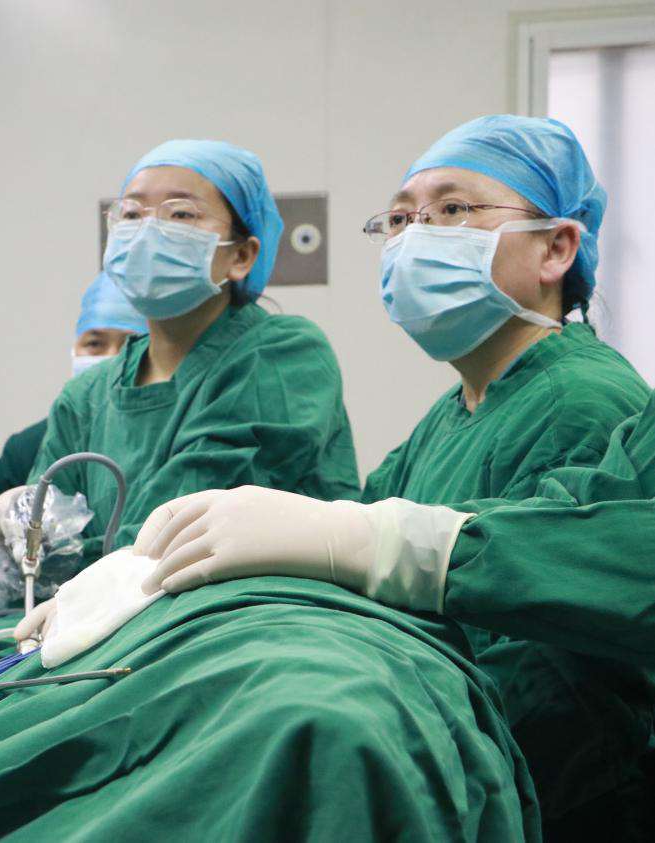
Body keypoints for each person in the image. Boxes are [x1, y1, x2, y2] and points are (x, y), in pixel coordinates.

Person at [129, 116, 654, 837]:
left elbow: (549, 680)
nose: (414, 236)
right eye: (400, 219)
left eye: (452, 209)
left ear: (556, 247)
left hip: (548, 802)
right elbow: (360, 564)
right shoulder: (457, 410)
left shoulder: (578, 400)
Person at [0, 139, 359, 580]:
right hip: (104, 614)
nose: (148, 230)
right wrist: (16, 527)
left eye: (181, 214)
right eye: (132, 214)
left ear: (241, 255)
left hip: (250, 610)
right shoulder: (86, 396)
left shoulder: (283, 355)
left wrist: (71, 570)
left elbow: (178, 533)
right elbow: (41, 554)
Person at [0, 271, 147, 561]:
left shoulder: (159, 442)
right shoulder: (29, 446)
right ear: (74, 349)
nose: (111, 358)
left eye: (130, 345)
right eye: (94, 344)